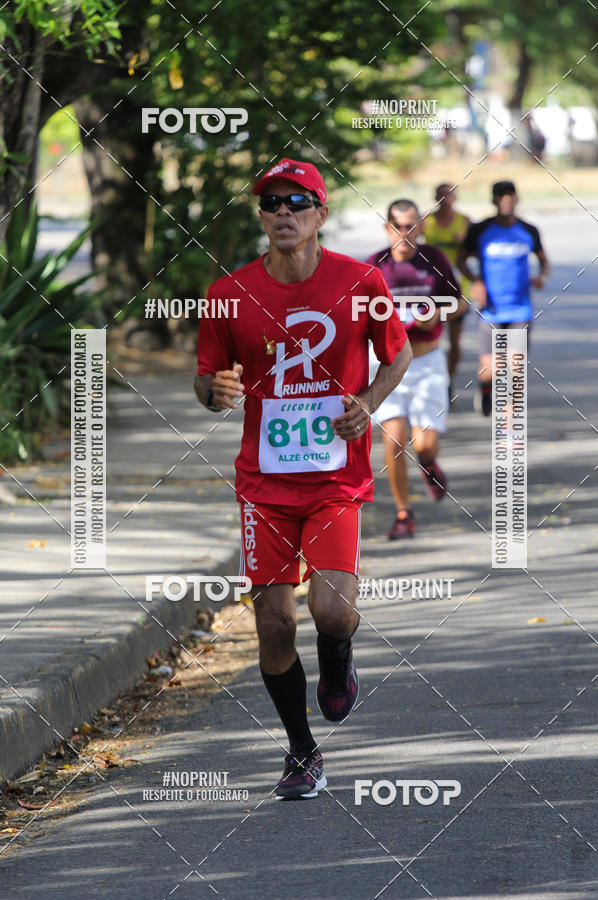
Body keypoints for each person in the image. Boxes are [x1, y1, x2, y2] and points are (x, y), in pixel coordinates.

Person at [194, 158, 412, 800]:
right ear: (261, 217)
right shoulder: (227, 293)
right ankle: (302, 752)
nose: (282, 211)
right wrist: (217, 390)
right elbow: (207, 380)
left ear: (319, 214)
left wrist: (367, 403)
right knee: (272, 626)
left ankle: (340, 653)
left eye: (297, 201)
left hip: (334, 477)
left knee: (331, 610)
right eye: (271, 203)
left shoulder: (361, 280)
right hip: (264, 482)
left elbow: (396, 353)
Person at [366, 199, 464, 539]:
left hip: (427, 361)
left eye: (410, 225)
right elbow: (354, 313)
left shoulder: (433, 260)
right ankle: (403, 512)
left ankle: (428, 463)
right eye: (397, 225)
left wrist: (439, 314)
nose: (403, 233)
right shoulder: (373, 266)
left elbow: (460, 301)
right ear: (386, 228)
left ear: (420, 227)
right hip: (388, 364)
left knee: (423, 444)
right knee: (394, 439)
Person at [457, 181, 550, 416]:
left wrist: (542, 277)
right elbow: (461, 259)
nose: (505, 200)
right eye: (500, 196)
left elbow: (544, 261)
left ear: (517, 199)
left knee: (515, 366)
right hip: (490, 309)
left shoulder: (529, 230)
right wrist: (476, 281)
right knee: (491, 368)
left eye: (510, 196)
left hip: (520, 309)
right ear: (493, 200)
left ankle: (510, 418)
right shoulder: (481, 229)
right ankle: (486, 388)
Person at [423, 184, 471, 399]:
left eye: (449, 194)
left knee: (455, 340)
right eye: (441, 195)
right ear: (435, 197)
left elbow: (473, 253)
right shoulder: (426, 221)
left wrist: (463, 244)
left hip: (458, 287)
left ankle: (449, 380)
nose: (445, 199)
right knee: (430, 335)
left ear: (455, 197)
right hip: (433, 287)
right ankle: (433, 380)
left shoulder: (464, 221)